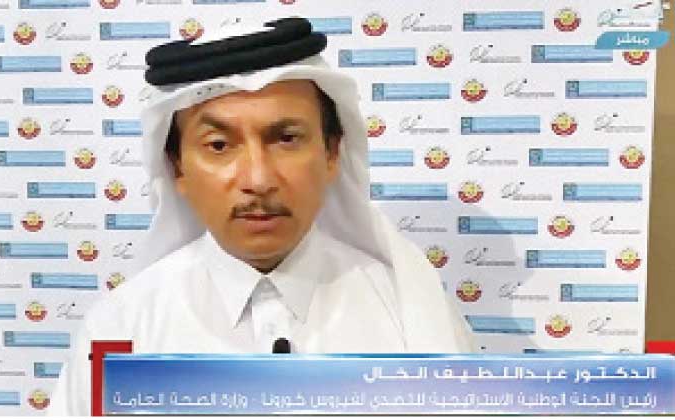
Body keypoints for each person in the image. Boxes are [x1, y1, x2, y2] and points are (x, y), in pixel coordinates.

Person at [48, 17, 475, 416]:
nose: (258, 179)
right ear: (178, 167)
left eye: (286, 138)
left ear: (331, 153)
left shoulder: (411, 313)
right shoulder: (121, 328)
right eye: (219, 145)